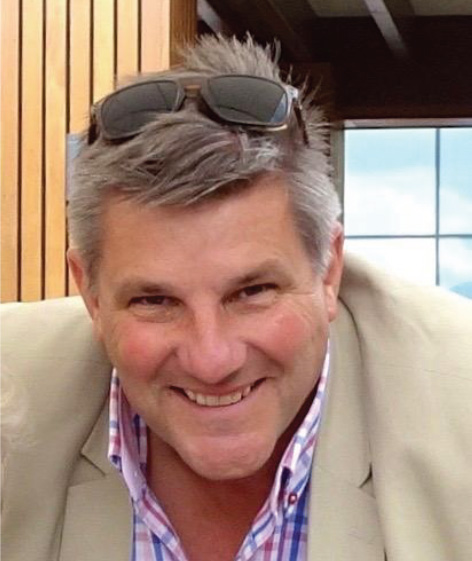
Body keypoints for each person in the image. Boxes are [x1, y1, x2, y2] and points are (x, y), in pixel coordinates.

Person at [1, 35, 472, 561]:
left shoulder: (461, 407)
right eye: (155, 301)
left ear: (329, 271)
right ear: (89, 293)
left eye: (252, 292)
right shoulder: (9, 394)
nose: (212, 360)